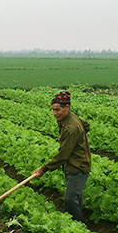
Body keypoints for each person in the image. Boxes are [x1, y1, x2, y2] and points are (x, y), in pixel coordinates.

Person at [32, 91, 91, 222]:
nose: (54, 113)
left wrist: (43, 169)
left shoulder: (71, 128)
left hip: (78, 166)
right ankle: (80, 220)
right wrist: (79, 141)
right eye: (53, 110)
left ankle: (77, 224)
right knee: (77, 195)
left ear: (67, 107)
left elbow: (63, 155)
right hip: (72, 164)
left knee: (70, 199)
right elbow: (86, 125)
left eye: (57, 110)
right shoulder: (68, 118)